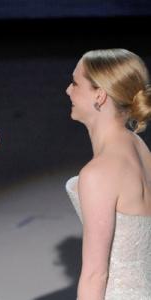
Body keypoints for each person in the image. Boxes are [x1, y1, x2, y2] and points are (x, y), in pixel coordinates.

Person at [65, 49, 151, 299]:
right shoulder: (140, 148)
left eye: (75, 83)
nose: (68, 91)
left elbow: (95, 275)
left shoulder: (98, 173)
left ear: (100, 95)